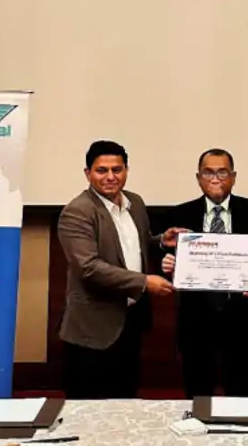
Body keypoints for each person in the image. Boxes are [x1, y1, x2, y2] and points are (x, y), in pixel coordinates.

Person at [57, 140, 178, 399]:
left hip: (130, 321)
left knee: (125, 401)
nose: (111, 177)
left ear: (126, 170)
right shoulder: (77, 212)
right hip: (94, 330)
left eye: (117, 169)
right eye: (102, 170)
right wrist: (144, 282)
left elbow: (131, 245)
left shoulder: (135, 202)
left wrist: (160, 240)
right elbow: (88, 268)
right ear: (88, 173)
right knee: (90, 408)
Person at [160, 149, 248, 398]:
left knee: (244, 399)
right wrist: (167, 266)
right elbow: (168, 263)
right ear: (198, 178)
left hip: (243, 320)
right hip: (196, 322)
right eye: (208, 172)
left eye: (222, 172)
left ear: (233, 177)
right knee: (198, 398)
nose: (215, 179)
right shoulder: (179, 215)